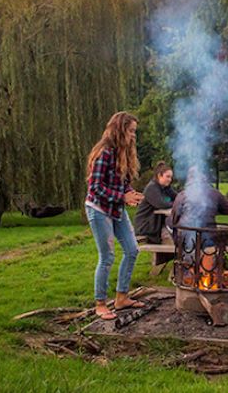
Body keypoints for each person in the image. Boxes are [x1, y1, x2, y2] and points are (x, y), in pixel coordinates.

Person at [85, 111, 146, 320]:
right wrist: (123, 197)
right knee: (107, 256)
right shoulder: (105, 153)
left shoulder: (124, 153)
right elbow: (95, 188)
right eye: (130, 131)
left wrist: (130, 193)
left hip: (116, 208)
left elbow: (122, 181)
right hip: (99, 209)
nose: (133, 136)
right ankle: (100, 303)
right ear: (120, 130)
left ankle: (121, 297)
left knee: (132, 249)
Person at [134, 161, 177, 244]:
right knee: (170, 240)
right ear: (159, 176)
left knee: (176, 236)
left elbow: (177, 198)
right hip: (146, 226)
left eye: (171, 177)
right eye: (167, 177)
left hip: (156, 225)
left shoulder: (165, 188)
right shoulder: (152, 188)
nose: (170, 180)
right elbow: (161, 204)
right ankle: (165, 255)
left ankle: (167, 255)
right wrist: (176, 205)